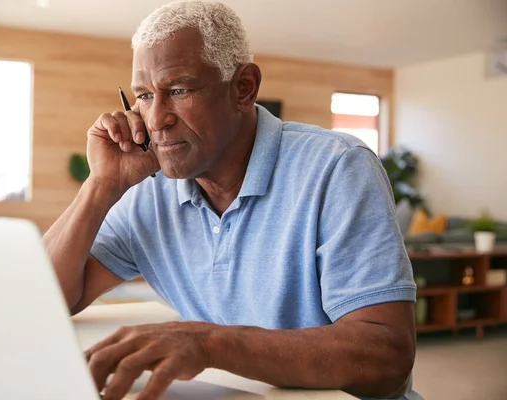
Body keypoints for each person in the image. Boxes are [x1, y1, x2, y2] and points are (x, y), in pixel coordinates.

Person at [43, 1, 421, 399]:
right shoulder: (149, 189)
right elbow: (49, 300)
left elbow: (388, 358)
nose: (155, 120)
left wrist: (209, 343)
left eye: (179, 90)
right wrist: (101, 185)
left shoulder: (336, 168)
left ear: (244, 88)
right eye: (143, 96)